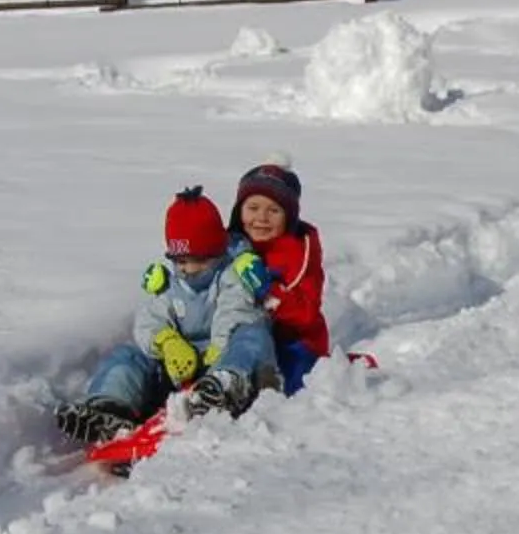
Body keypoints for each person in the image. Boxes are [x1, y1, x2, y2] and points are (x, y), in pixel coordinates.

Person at [55, 187, 278, 443]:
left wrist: (219, 350)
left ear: (217, 253)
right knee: (127, 355)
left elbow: (234, 311)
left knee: (252, 334)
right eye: (181, 261)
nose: (189, 270)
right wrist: (167, 342)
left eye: (199, 261)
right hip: (180, 370)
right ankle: (110, 408)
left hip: (222, 360)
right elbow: (150, 320)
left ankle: (226, 386)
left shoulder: (231, 275)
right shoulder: (170, 284)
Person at [229, 155, 330, 393]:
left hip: (292, 341)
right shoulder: (230, 246)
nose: (261, 218)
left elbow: (307, 313)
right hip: (240, 339)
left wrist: (269, 292)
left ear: (289, 216)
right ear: (239, 212)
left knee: (292, 381)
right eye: (253, 208)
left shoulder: (300, 251)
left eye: (273, 210)